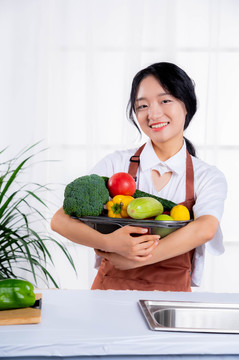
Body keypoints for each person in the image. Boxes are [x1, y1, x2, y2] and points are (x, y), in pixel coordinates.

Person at [51, 62, 227, 291]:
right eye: (142, 105)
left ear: (186, 105)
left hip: (171, 298)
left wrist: (135, 257)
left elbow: (205, 228)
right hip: (109, 292)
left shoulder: (207, 176)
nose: (153, 114)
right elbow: (60, 220)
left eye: (165, 101)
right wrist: (109, 242)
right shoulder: (116, 164)